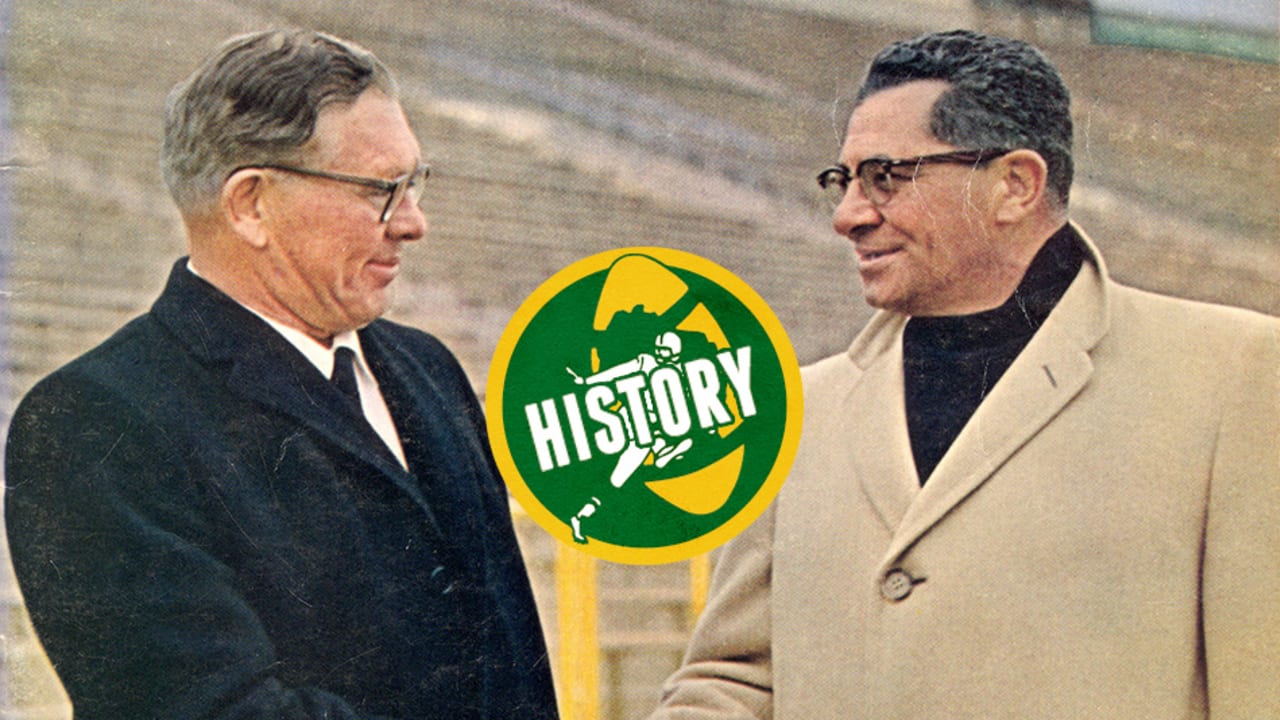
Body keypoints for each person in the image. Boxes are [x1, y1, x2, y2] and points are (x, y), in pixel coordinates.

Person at [649, 29, 1278, 720]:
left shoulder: (1233, 373)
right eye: (844, 180)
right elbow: (734, 681)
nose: (848, 215)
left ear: (1015, 185)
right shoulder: (796, 406)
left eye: (885, 177)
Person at [4, 29, 558, 720]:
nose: (414, 222)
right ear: (250, 205)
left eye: (414, 183)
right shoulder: (98, 420)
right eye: (380, 190)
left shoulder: (428, 369)